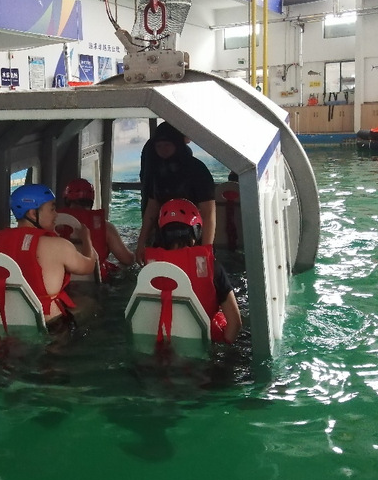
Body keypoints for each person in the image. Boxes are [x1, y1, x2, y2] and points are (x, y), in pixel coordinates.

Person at [0, 184, 98, 325]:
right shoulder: (58, 246)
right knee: (90, 303)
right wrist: (86, 239)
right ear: (33, 213)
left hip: (4, 319)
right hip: (50, 324)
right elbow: (89, 266)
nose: (56, 214)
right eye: (52, 209)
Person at [144, 198, 242, 343]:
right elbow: (235, 323)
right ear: (196, 231)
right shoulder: (211, 267)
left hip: (161, 346)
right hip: (203, 346)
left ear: (162, 233)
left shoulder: (150, 268)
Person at [136, 121, 216, 263]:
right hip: (165, 235)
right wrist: (141, 244)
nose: (162, 150)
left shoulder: (198, 170)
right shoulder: (157, 171)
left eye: (167, 145)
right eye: (158, 146)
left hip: (193, 236)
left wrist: (205, 250)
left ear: (177, 143)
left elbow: (208, 213)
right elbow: (151, 210)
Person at [58, 178, 135, 280]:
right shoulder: (106, 227)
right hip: (96, 280)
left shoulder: (54, 223)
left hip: (60, 279)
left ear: (66, 199)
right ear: (91, 200)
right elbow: (127, 260)